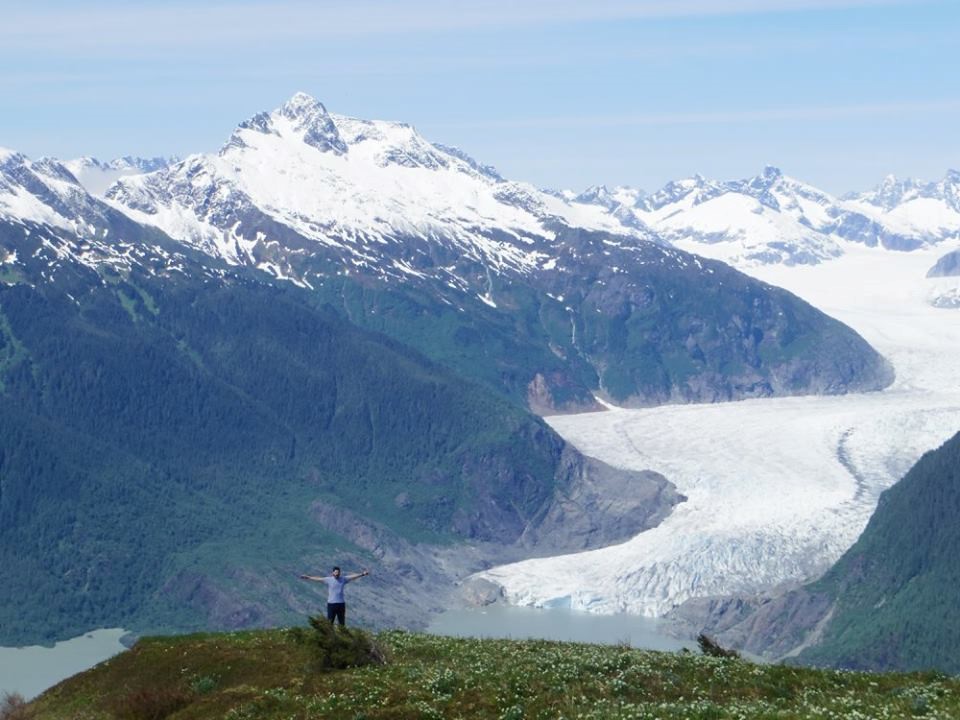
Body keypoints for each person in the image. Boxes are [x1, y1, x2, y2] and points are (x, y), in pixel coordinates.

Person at [299, 565, 369, 626]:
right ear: (332, 573)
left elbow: (352, 577)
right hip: (331, 604)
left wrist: (362, 574)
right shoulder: (328, 579)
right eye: (335, 573)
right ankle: (329, 636)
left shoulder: (343, 579)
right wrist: (308, 577)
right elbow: (318, 579)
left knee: (341, 622)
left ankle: (342, 635)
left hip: (341, 604)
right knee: (330, 622)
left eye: (338, 573)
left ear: (339, 573)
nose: (336, 574)